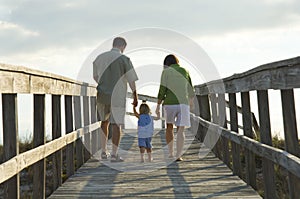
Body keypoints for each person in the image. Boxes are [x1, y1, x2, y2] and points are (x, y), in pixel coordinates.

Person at [93, 37, 138, 162]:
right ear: (122, 46)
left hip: (102, 95)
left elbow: (95, 76)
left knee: (104, 122)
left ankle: (103, 151)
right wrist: (135, 95)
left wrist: (103, 84)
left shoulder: (99, 58)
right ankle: (114, 154)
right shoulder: (124, 59)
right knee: (116, 124)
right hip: (117, 96)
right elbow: (131, 79)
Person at [155, 54, 195, 161]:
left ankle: (171, 153)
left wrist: (158, 105)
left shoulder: (166, 72)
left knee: (169, 127)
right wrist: (191, 103)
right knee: (181, 130)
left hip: (170, 104)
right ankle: (178, 155)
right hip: (183, 103)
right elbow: (191, 89)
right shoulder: (185, 71)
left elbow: (162, 89)